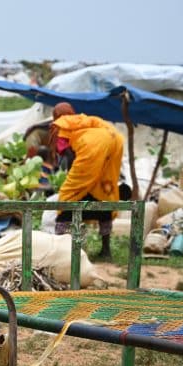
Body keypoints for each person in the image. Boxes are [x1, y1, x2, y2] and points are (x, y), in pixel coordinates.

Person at [49, 102, 126, 260]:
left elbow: (68, 153)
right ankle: (106, 251)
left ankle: (60, 251)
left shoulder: (62, 126)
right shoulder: (85, 121)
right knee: (103, 204)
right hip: (114, 139)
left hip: (89, 158)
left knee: (65, 204)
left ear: (56, 116)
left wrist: (76, 178)